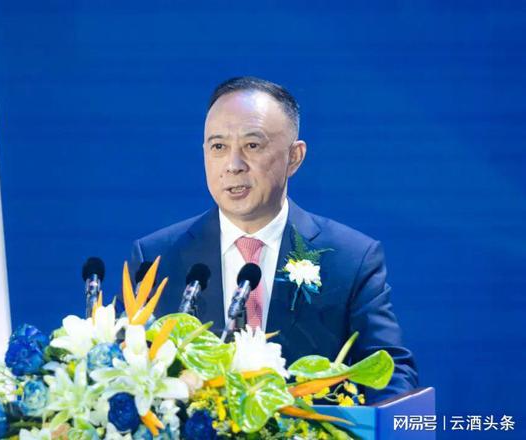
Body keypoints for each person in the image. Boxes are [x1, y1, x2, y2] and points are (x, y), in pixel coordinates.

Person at [130, 76, 418, 403]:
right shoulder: (157, 257)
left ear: (294, 157)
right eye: (218, 147)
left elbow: (390, 373)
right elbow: (134, 365)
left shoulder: (351, 259)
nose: (233, 165)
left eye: (252, 145)